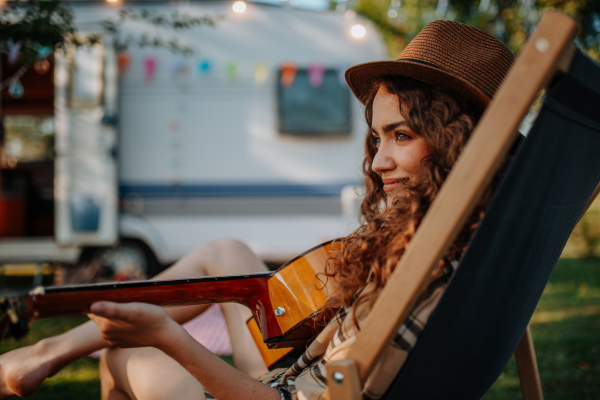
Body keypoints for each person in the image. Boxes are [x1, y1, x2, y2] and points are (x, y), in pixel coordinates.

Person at [0, 20, 516, 400]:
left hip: (279, 391)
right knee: (223, 251)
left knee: (124, 354)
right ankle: (45, 353)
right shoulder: (486, 239)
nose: (378, 161)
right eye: (377, 137)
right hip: (297, 369)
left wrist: (166, 336)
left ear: (459, 143)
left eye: (401, 136)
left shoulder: (425, 267)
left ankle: (45, 354)